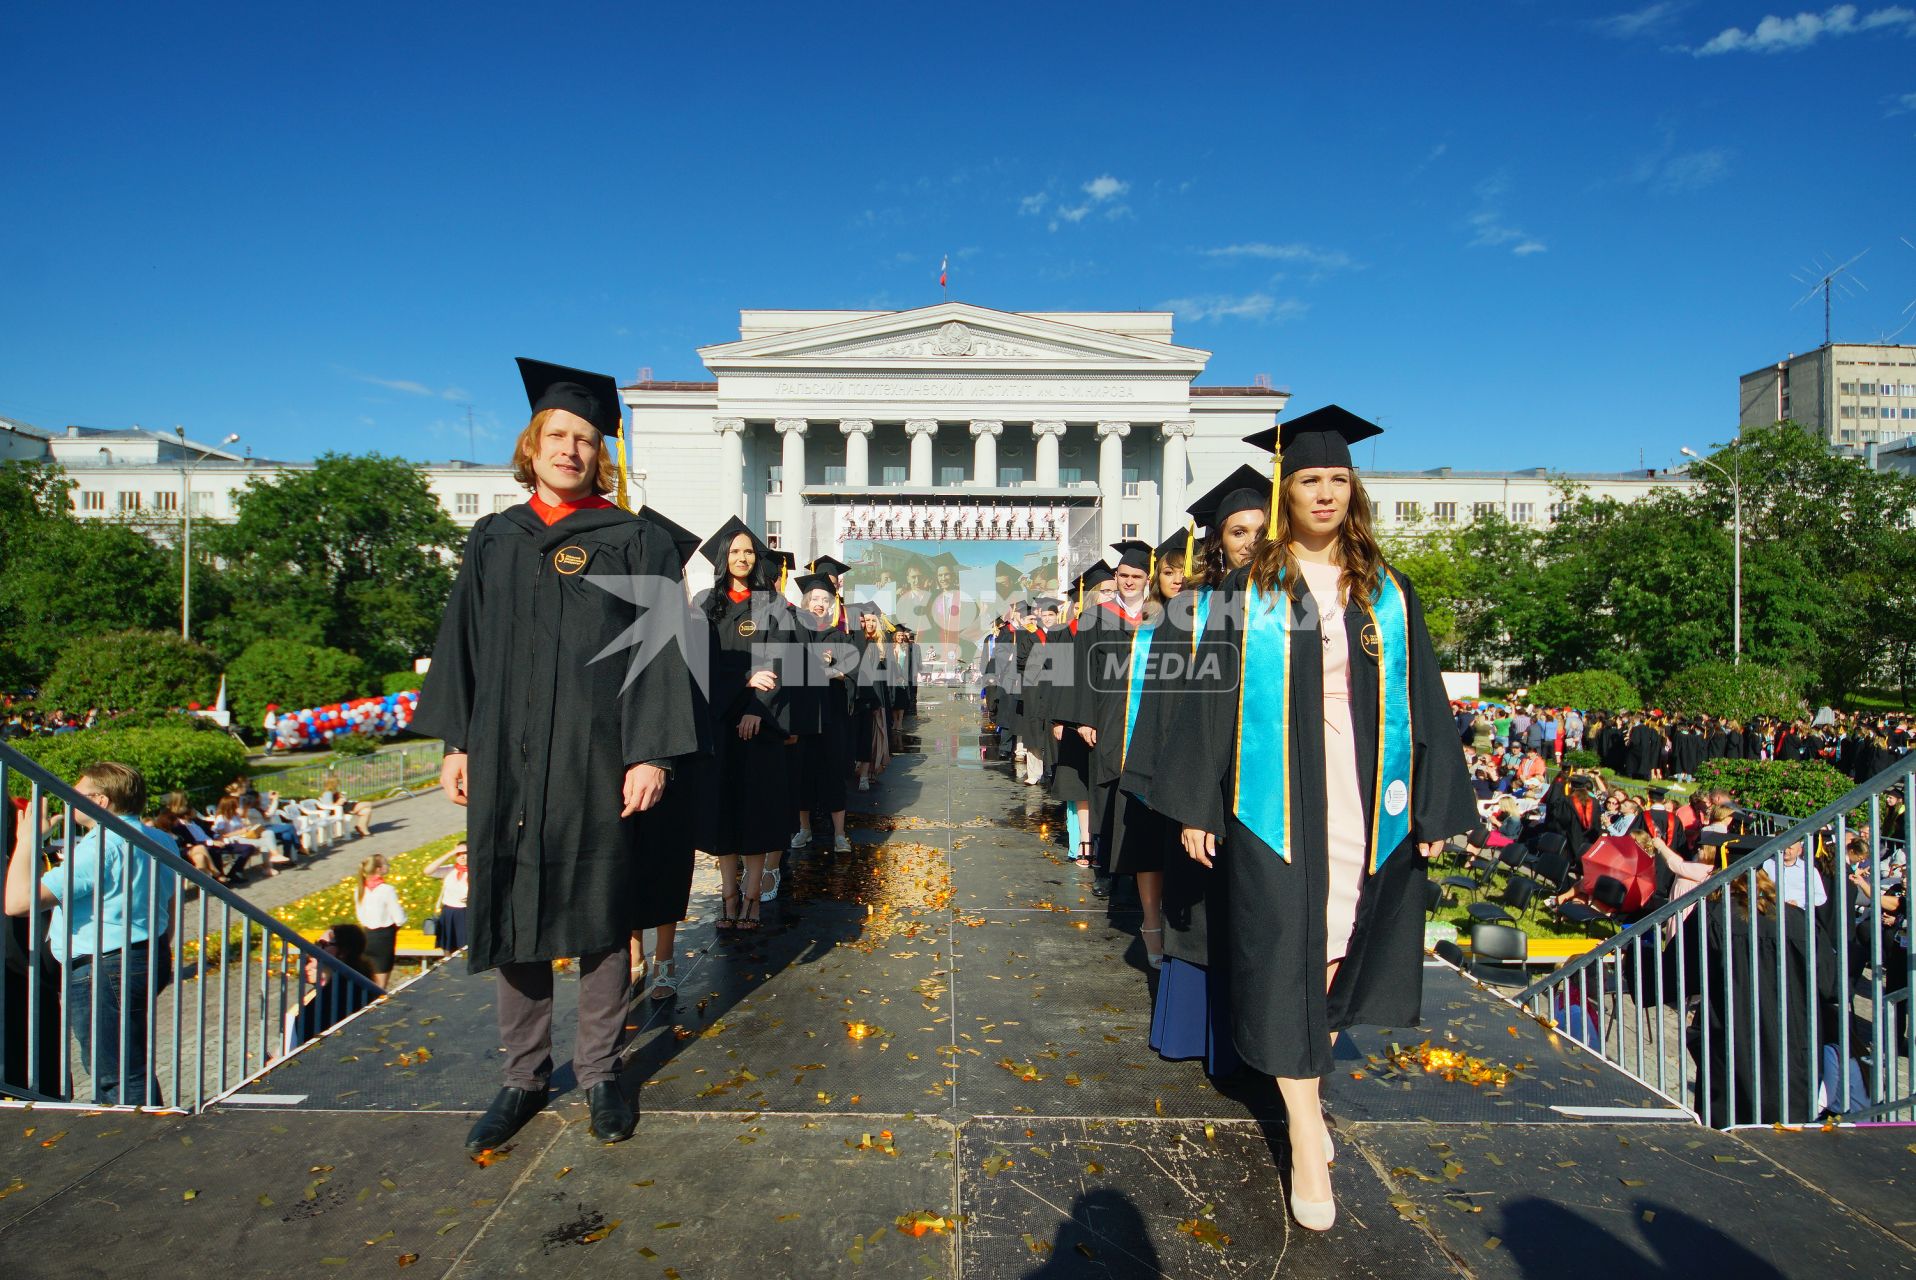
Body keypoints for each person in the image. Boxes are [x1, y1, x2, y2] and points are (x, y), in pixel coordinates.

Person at [1152, 407, 1474, 1231]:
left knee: (1340, 941)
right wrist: (1196, 799)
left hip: (1367, 787)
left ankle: (1306, 1091)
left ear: (1351, 488)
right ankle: (1304, 1127)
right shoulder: (1245, 587)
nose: (1324, 494)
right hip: (1275, 790)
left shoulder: (1387, 590)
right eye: (1307, 481)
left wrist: (1435, 802)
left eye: (1336, 480)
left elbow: (1426, 702)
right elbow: (1208, 695)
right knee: (1280, 938)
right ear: (1284, 490)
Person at [410, 358, 702, 1152]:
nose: (570, 449)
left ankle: (602, 1071)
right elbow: (462, 645)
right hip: (507, 755)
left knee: (603, 914)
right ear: (533, 442)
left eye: (584, 438)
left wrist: (652, 754)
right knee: (513, 909)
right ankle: (523, 1077)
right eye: (558, 435)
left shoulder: (633, 538)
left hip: (596, 754)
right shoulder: (493, 538)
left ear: (600, 452)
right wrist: (458, 741)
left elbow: (661, 656)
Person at [4, 762, 178, 1106]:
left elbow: (16, 902)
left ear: (100, 801)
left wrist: (27, 840)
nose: (68, 803)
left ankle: (136, 1142)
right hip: (147, 953)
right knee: (129, 1063)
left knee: (115, 1072)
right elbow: (168, 904)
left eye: (75, 795)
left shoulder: (100, 848)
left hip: (105, 967)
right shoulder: (160, 839)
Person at [692, 516, 798, 934]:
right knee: (725, 813)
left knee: (755, 813)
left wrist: (757, 705)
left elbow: (780, 659)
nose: (741, 557)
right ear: (723, 557)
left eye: (749, 551)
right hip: (719, 722)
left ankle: (752, 896)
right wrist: (740, 682)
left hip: (760, 722)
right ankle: (728, 895)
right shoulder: (706, 604)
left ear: (757, 558)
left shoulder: (771, 603)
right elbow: (700, 665)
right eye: (734, 551)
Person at [353, 854, 406, 990]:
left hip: (366, 935)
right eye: (386, 864)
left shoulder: (359, 889)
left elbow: (360, 916)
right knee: (381, 984)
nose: (388, 866)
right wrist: (395, 927)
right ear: (379, 869)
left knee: (367, 978)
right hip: (384, 937)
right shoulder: (387, 890)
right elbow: (399, 918)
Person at [424, 843, 470, 955]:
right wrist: (450, 853)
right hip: (449, 912)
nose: (462, 857)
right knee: (448, 948)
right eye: (458, 854)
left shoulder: (477, 871)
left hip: (466, 912)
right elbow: (427, 871)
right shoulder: (450, 869)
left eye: (465, 853)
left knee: (465, 947)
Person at [319, 774, 375, 838]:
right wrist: (338, 803)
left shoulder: (334, 791)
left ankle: (362, 828)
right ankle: (353, 812)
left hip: (344, 806)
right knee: (368, 804)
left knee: (367, 811)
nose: (338, 784)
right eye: (337, 783)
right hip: (341, 809)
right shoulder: (327, 793)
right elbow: (328, 807)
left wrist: (342, 798)